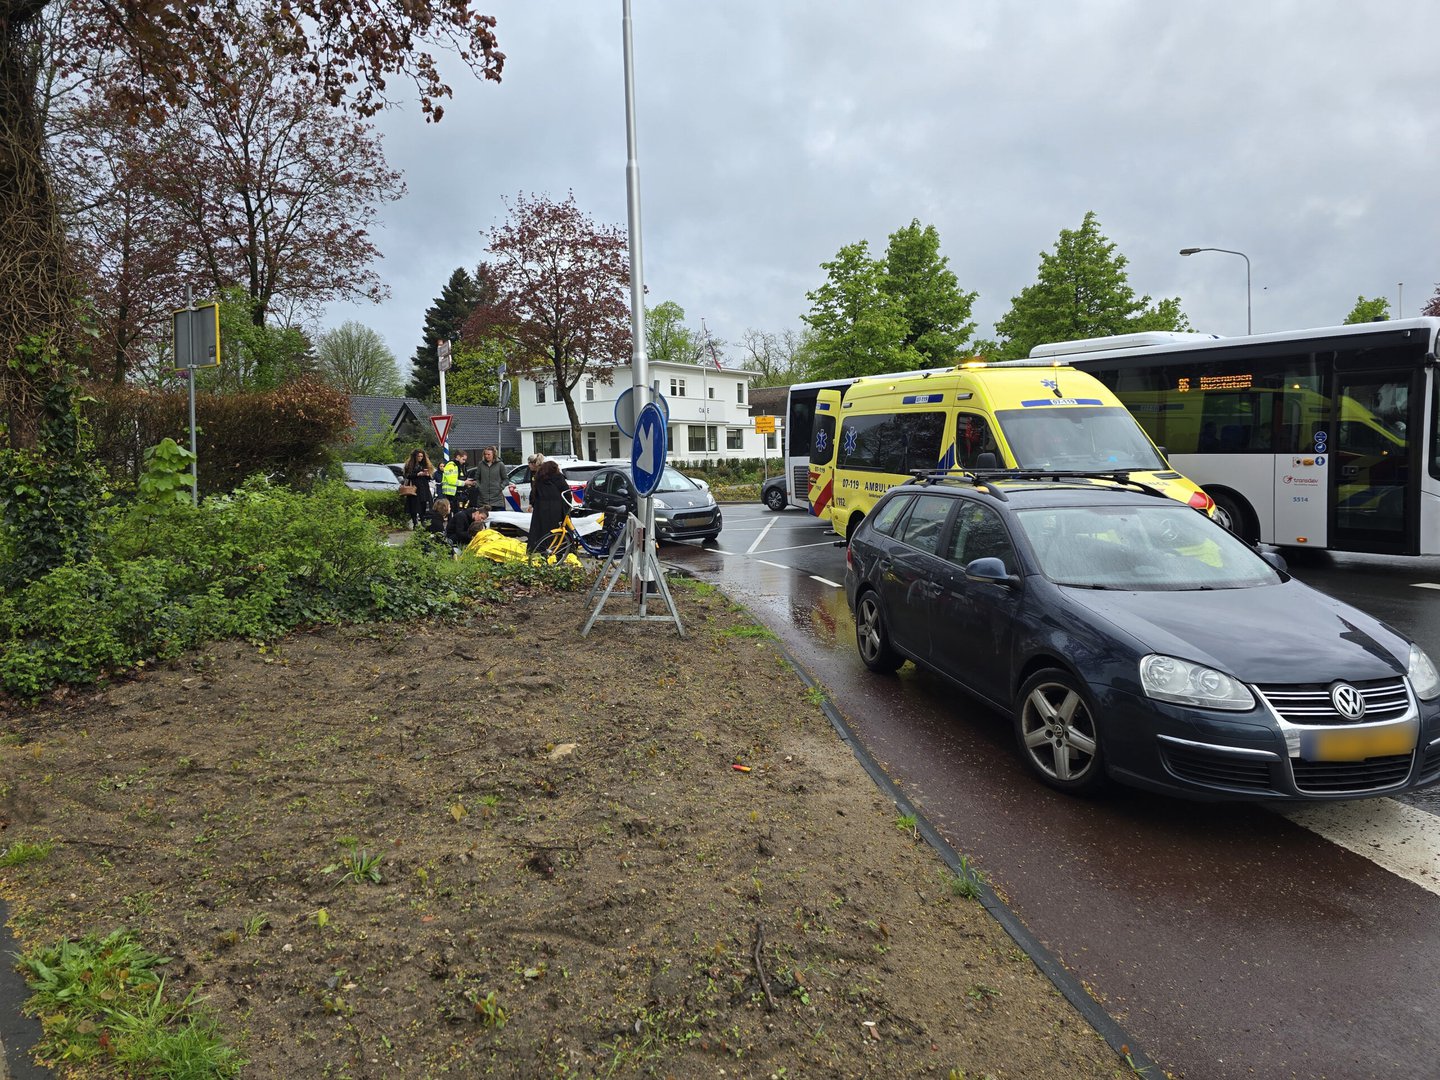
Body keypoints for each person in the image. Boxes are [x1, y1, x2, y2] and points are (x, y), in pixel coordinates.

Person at [526, 459, 572, 554]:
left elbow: (534, 493)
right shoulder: (558, 477)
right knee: (558, 530)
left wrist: (533, 504)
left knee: (540, 531)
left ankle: (538, 549)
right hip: (557, 508)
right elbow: (566, 492)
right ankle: (560, 551)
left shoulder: (539, 478)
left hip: (541, 508)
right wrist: (567, 507)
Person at [400, 449, 433, 529]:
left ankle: (423, 521)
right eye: (419, 456)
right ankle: (415, 523)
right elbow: (407, 475)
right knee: (413, 505)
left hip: (424, 487)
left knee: (423, 504)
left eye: (422, 456)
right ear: (415, 456)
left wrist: (427, 474)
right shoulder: (410, 465)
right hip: (414, 487)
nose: (420, 458)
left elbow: (430, 478)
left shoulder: (425, 464)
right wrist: (417, 474)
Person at [473, 446, 507, 510]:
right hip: (483, 500)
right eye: (485, 454)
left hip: (497, 500)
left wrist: (500, 487)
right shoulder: (481, 464)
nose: (486, 456)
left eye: (489, 454)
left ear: (493, 454)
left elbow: (506, 479)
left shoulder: (500, 465)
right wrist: (479, 487)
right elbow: (476, 478)